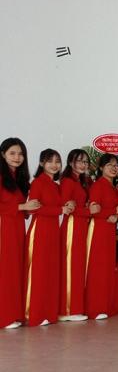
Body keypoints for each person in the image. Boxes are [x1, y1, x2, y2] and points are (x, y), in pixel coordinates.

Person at [24, 149, 73, 326]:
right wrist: (60, 210)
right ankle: (33, 312)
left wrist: (69, 203)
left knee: (50, 272)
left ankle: (47, 312)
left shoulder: (55, 185)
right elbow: (33, 209)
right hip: (40, 231)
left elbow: (61, 203)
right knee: (38, 272)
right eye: (49, 161)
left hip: (53, 232)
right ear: (41, 163)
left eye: (57, 161)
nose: (54, 165)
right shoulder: (38, 182)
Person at [85, 154, 118, 320]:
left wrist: (115, 214)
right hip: (99, 231)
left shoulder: (113, 187)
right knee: (98, 268)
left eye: (116, 165)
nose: (114, 168)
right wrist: (115, 211)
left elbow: (117, 210)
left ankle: (107, 304)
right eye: (109, 165)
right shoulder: (98, 185)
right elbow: (94, 211)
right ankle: (96, 307)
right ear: (101, 168)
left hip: (110, 231)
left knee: (109, 267)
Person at [0, 138, 35, 329]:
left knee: (15, 271)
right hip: (4, 228)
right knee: (6, 271)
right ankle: (4, 317)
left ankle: (14, 314)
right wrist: (22, 207)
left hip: (17, 229)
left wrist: (28, 210)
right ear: (3, 154)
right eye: (12, 153)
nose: (17, 157)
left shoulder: (20, 180)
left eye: (20, 154)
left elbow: (22, 209)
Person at [59, 149, 93, 322]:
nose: (83, 164)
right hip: (72, 226)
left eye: (85, 162)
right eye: (79, 161)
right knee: (71, 266)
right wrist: (88, 211)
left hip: (82, 226)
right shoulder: (67, 181)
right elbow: (68, 209)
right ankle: (68, 310)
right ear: (71, 162)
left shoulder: (83, 181)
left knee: (79, 266)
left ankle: (75, 306)